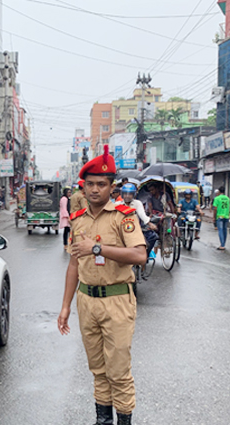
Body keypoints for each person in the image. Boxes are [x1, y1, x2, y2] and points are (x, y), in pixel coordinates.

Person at [58, 146, 146, 425]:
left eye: (101, 184)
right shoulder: (77, 219)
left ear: (111, 187)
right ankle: (102, 420)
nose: (95, 190)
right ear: (82, 188)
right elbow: (74, 264)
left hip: (117, 299)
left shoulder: (124, 216)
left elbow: (139, 256)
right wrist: (65, 307)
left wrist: (97, 248)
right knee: (97, 368)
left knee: (118, 369)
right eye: (90, 184)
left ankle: (124, 420)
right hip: (87, 301)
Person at [119, 183, 157, 257]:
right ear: (122, 194)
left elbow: (142, 214)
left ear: (133, 195)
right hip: (121, 229)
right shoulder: (117, 204)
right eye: (125, 194)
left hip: (136, 229)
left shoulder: (137, 203)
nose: (127, 196)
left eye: (130, 194)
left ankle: (144, 256)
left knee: (152, 237)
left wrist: (149, 223)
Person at [212, 186, 230, 250]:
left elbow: (215, 209)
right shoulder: (227, 198)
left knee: (220, 230)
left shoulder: (217, 198)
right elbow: (229, 207)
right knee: (225, 230)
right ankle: (223, 244)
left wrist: (214, 217)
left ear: (219, 191)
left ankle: (222, 245)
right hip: (226, 216)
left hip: (219, 216)